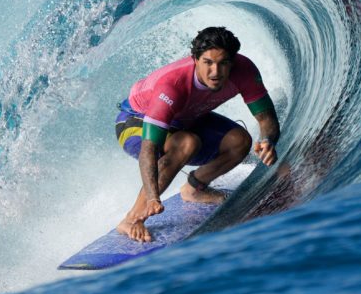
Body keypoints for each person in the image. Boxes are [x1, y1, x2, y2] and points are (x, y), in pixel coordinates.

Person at [114, 26, 281, 242]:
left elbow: (266, 120)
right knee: (186, 142)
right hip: (135, 121)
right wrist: (153, 196)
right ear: (195, 59)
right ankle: (131, 218)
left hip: (185, 119)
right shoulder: (172, 85)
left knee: (240, 141)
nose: (215, 72)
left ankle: (194, 188)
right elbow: (149, 148)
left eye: (223, 63)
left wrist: (267, 140)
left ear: (233, 61)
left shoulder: (244, 70)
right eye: (208, 62)